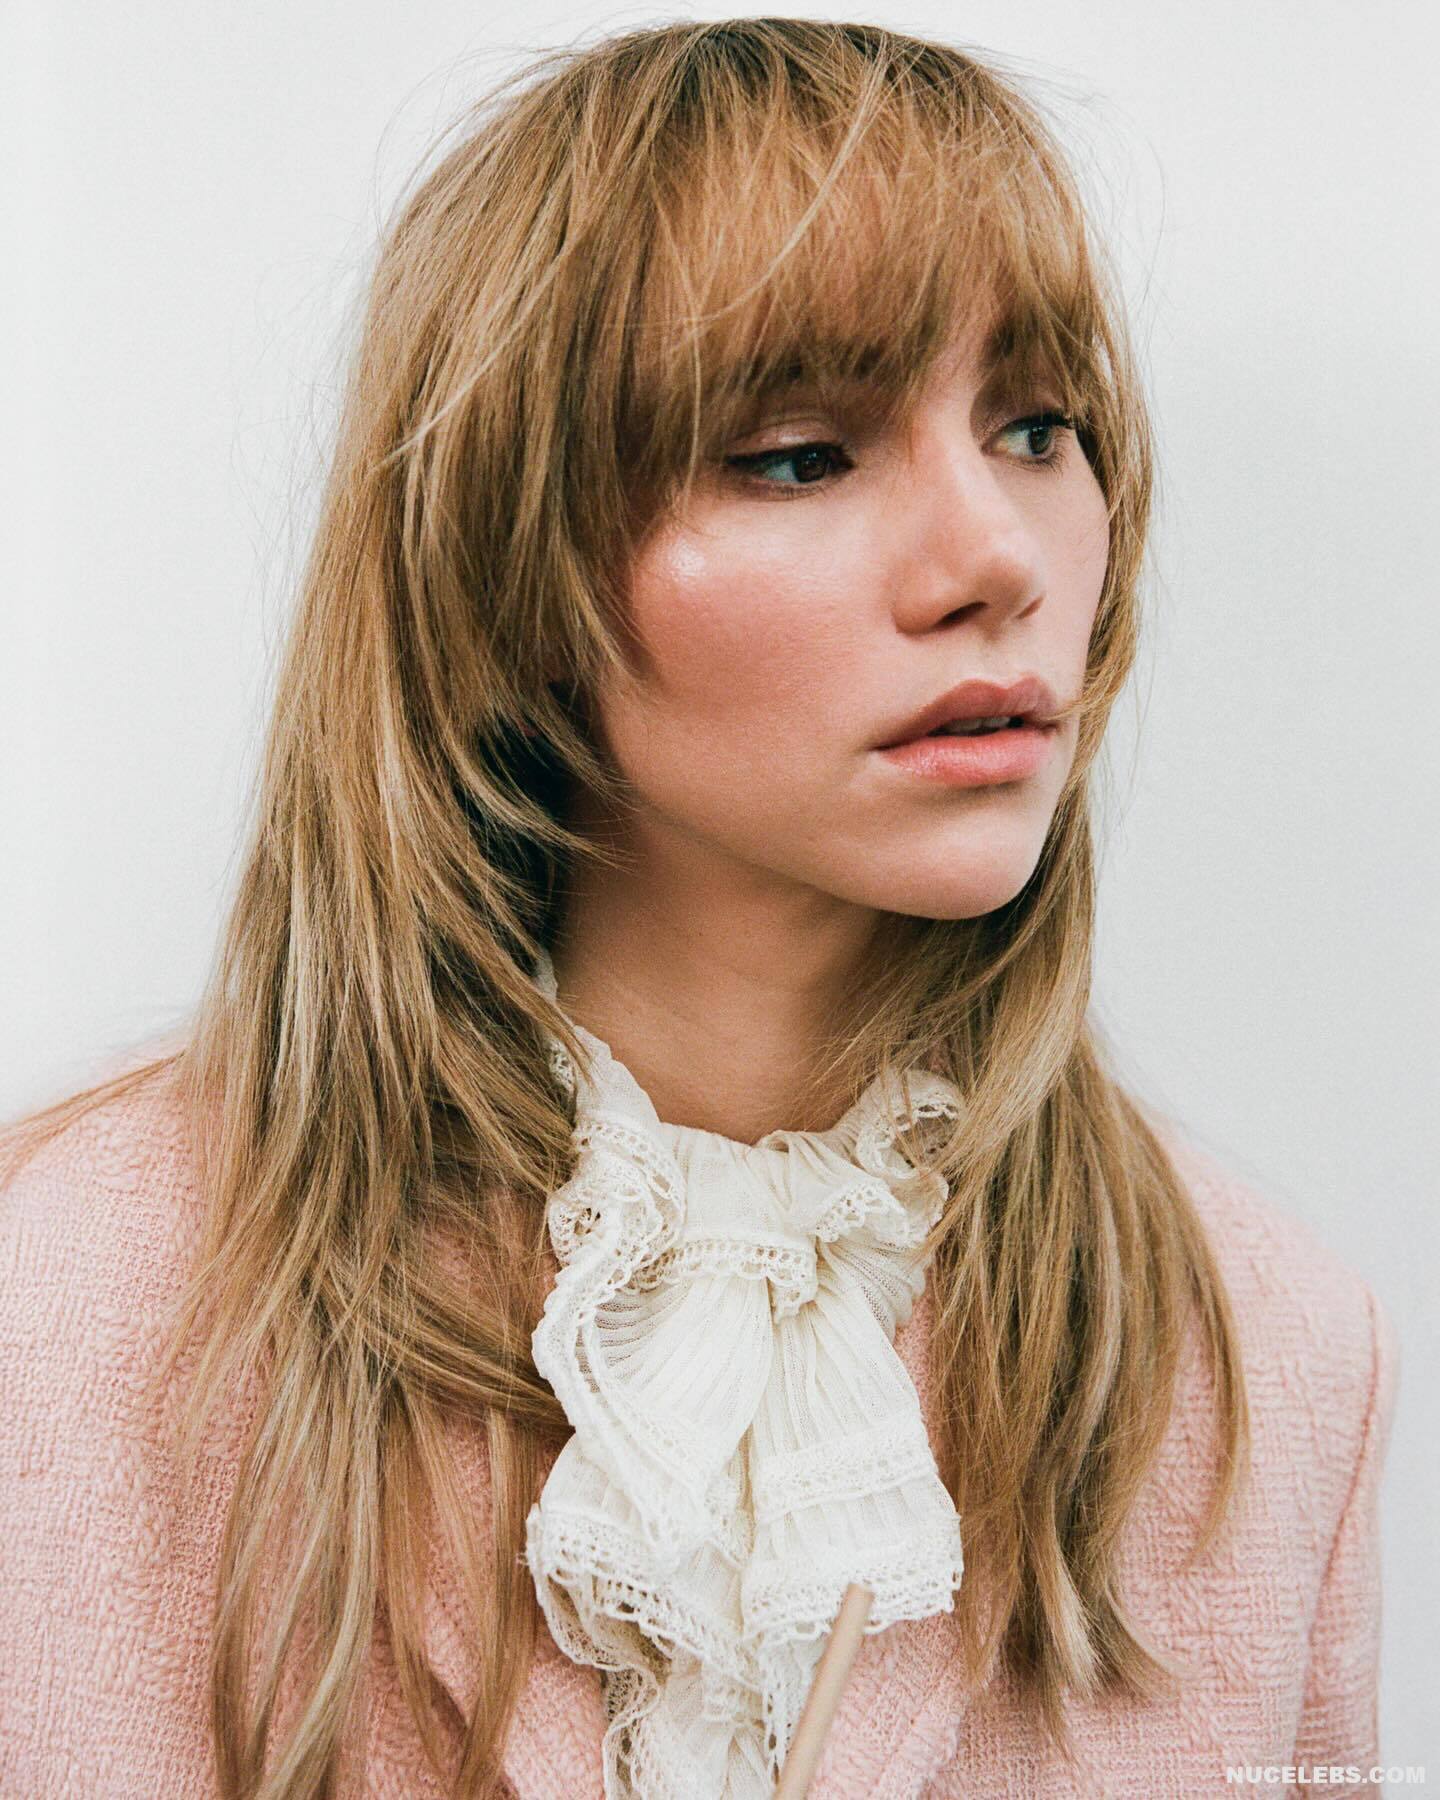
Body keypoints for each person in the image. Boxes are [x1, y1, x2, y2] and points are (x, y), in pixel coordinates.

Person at [0, 18, 1399, 1799]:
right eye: (800, 454)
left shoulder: (1272, 1355)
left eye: (1040, 428)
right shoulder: (82, 1305)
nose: (999, 557)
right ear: (506, 569)